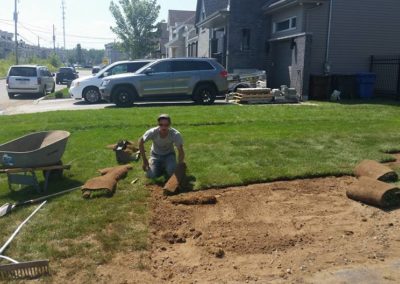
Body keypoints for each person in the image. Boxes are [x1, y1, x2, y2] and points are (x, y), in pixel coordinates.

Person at [139, 114, 185, 179]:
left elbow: (180, 150)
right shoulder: (152, 132)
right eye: (161, 125)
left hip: (169, 155)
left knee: (171, 172)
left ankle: (166, 165)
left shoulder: (175, 134)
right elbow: (141, 142)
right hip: (155, 155)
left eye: (166, 125)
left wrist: (180, 164)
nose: (163, 127)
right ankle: (158, 165)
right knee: (151, 175)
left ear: (170, 125)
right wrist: (144, 160)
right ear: (158, 124)